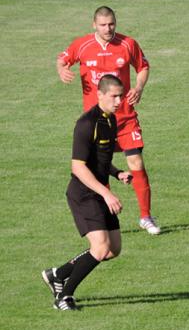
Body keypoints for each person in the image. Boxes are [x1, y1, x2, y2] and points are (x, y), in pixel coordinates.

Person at [56, 5, 160, 235]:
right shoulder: (82, 45)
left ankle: (146, 217)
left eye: (111, 24)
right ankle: (105, 217)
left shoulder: (128, 44)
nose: (108, 28)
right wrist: (62, 70)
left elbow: (143, 67)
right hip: (99, 122)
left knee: (136, 163)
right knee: (100, 168)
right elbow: (62, 60)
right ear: (94, 25)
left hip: (125, 117)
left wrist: (138, 87)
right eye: (103, 25)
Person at [41, 75, 133, 311]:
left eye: (121, 96)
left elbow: (100, 159)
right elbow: (78, 167)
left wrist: (117, 173)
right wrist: (107, 194)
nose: (119, 101)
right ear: (99, 94)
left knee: (113, 249)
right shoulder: (86, 124)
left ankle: (57, 274)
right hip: (83, 193)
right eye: (114, 96)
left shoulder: (110, 120)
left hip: (99, 191)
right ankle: (64, 297)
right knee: (100, 247)